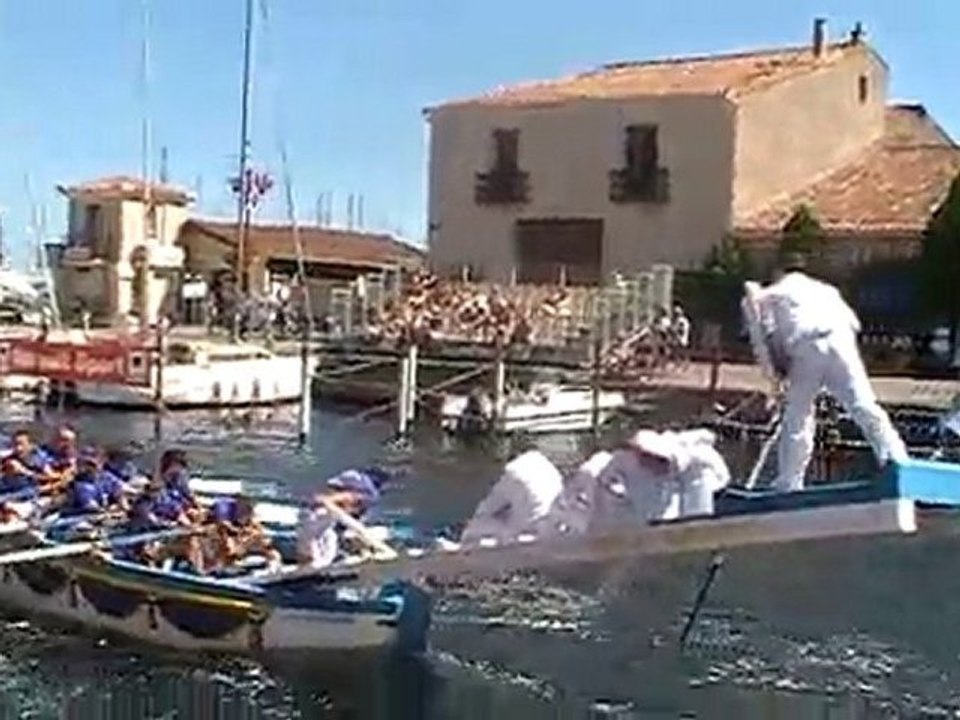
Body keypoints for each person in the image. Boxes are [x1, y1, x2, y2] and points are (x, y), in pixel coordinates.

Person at [742, 255, 908, 491]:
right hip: (841, 342)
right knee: (864, 406)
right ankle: (897, 460)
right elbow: (854, 324)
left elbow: (762, 341)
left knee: (798, 416)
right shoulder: (827, 291)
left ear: (778, 272)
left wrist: (775, 381)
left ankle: (789, 482)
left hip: (805, 346)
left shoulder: (766, 295)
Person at [460, 450, 563, 545]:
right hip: (556, 523)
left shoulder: (510, 471)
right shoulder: (542, 461)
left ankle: (463, 548)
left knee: (477, 525)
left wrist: (469, 520)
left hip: (531, 530)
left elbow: (487, 508)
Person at [295, 468, 391, 569]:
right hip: (315, 525)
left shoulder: (349, 501)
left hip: (323, 528)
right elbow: (324, 503)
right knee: (313, 559)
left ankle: (363, 554)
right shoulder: (340, 501)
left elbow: (353, 527)